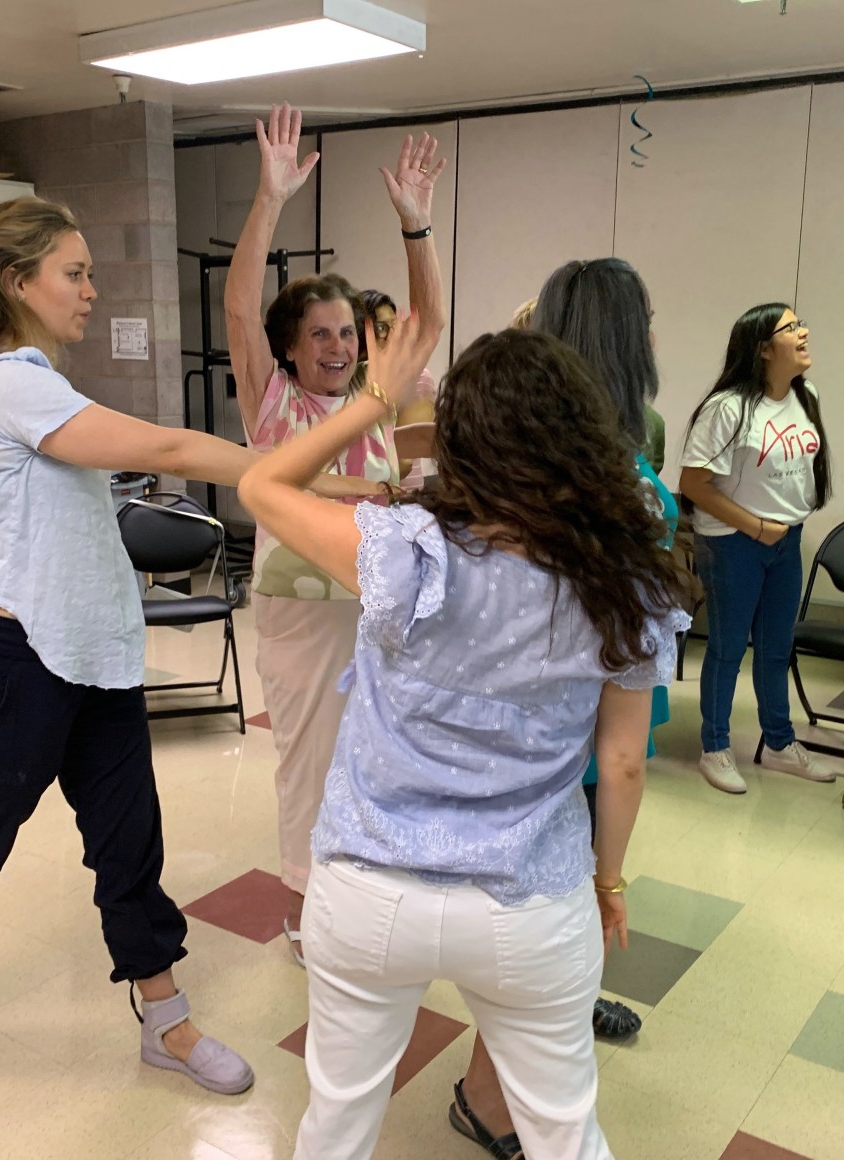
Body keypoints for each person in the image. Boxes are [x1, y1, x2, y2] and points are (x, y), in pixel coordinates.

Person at [0, 195, 362, 1095]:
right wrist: (284, 466)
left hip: (96, 660)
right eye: (75, 273)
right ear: (19, 282)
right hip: (9, 666)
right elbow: (164, 441)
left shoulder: (37, 378)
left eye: (90, 270)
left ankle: (164, 1022)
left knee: (130, 850)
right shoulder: (3, 378)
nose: (92, 289)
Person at [238, 314, 688, 1160]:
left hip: (369, 890)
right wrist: (609, 881)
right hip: (528, 901)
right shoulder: (622, 577)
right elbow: (622, 763)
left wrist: (372, 400)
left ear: (462, 440)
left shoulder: (403, 549)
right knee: (565, 1132)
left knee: (335, 1123)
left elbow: (263, 487)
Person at [450, 261, 678, 1157]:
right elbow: (619, 747)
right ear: (624, 344)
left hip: (528, 738)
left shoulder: (516, 473)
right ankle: (488, 1098)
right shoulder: (624, 488)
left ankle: (509, 1063)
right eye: (648, 321)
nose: (657, 337)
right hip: (574, 745)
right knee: (541, 930)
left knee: (536, 936)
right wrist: (612, 878)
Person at [224, 103, 445, 962]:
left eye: (347, 332)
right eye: (318, 334)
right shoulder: (273, 401)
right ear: (287, 349)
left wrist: (416, 224)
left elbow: (425, 318)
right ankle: (301, 910)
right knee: (310, 760)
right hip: (300, 611)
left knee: (377, 755)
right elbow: (241, 308)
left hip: (375, 603)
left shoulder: (374, 399)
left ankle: (360, 886)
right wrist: (270, 200)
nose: (338, 345)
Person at [680, 304, 835, 793]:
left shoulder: (806, 395)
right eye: (791, 328)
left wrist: (783, 525)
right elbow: (693, 484)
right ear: (764, 349)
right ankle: (715, 747)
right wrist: (755, 525)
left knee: (776, 647)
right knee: (727, 648)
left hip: (783, 541)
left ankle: (779, 743)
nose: (804, 332)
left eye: (800, 323)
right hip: (733, 543)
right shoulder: (728, 407)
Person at [359, 288, 436, 488]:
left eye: (396, 326)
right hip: (363, 494)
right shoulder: (351, 380)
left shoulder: (417, 377)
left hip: (402, 497)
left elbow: (403, 462)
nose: (392, 335)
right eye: (381, 327)